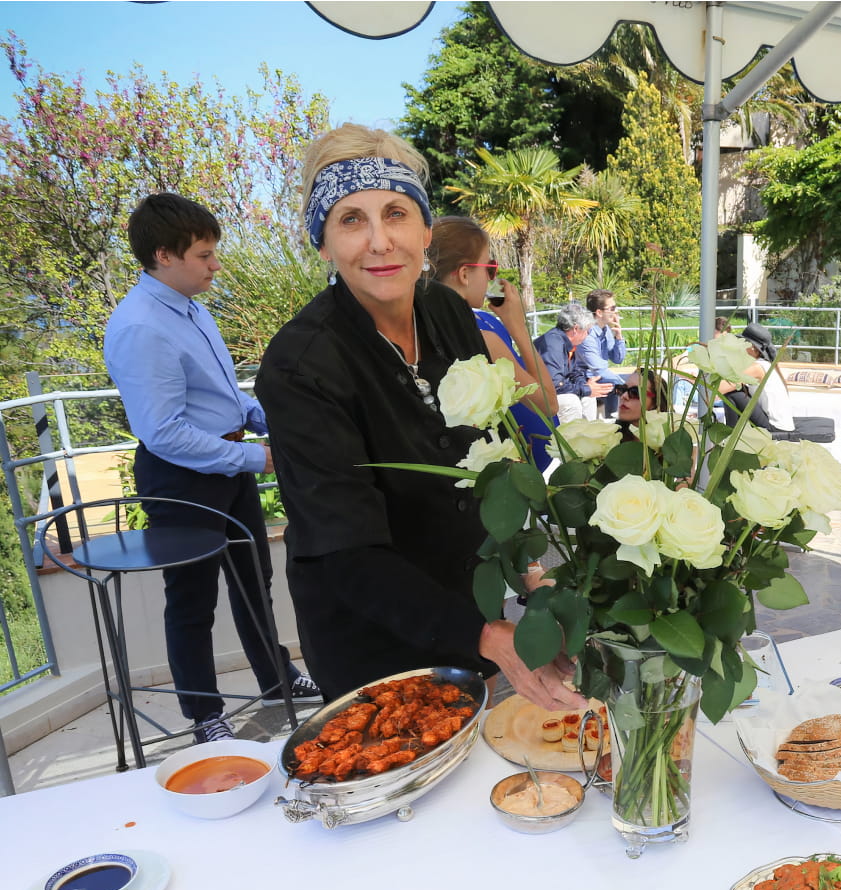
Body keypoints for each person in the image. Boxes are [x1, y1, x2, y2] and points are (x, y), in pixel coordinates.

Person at [253, 124, 580, 712]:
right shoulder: (300, 365)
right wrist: (488, 636)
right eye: (351, 220)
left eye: (396, 214)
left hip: (469, 606)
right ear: (322, 243)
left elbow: (491, 458)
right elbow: (345, 552)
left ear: (426, 231)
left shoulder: (448, 313)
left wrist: (535, 576)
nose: (380, 242)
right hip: (369, 640)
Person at [103, 193, 320, 745]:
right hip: (182, 476)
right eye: (204, 255)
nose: (215, 265)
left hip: (227, 463)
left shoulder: (191, 306)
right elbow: (164, 432)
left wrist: (260, 417)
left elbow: (218, 392)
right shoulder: (140, 326)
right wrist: (258, 456)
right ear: (163, 255)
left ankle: (277, 680)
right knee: (193, 598)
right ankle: (205, 716)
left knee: (254, 583)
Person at [429, 216, 557, 471]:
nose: (491, 279)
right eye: (489, 268)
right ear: (464, 274)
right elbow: (548, 403)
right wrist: (517, 326)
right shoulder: (482, 338)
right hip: (502, 477)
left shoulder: (420, 328)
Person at [533, 303, 605, 423]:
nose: (588, 335)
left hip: (550, 392)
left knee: (589, 398)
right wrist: (586, 389)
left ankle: (588, 435)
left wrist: (586, 387)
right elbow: (554, 385)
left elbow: (575, 372)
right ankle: (570, 439)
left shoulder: (566, 343)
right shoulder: (552, 344)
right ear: (576, 329)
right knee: (571, 402)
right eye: (588, 330)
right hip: (536, 397)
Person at [577, 289, 627, 419]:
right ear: (599, 312)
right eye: (612, 308)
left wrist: (618, 336)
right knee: (616, 386)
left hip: (598, 377)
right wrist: (626, 386)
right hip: (583, 379)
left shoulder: (605, 330)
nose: (616, 312)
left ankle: (615, 423)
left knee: (615, 386)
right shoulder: (587, 335)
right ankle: (615, 425)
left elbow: (618, 359)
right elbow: (598, 369)